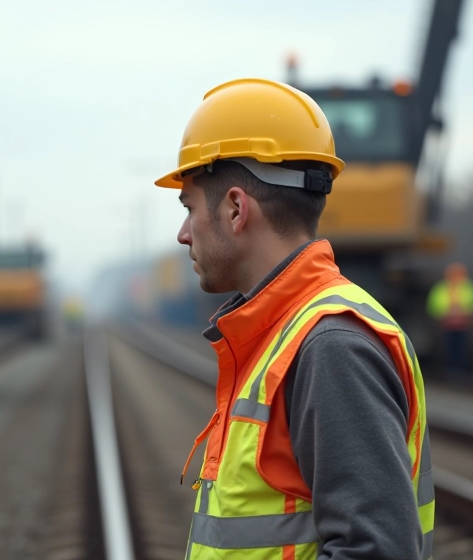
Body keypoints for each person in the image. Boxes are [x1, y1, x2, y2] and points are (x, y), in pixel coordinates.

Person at [155, 79, 433, 559]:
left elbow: (375, 551)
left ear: (236, 208)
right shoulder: (281, 334)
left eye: (190, 208)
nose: (183, 234)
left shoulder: (331, 346)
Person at [427, 262, 473, 377]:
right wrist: (445, 314)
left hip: (462, 324)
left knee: (462, 348)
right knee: (448, 347)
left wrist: (462, 313)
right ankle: (450, 369)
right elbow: (434, 304)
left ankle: (460, 369)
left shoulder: (467, 287)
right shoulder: (441, 288)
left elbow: (472, 303)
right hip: (447, 324)